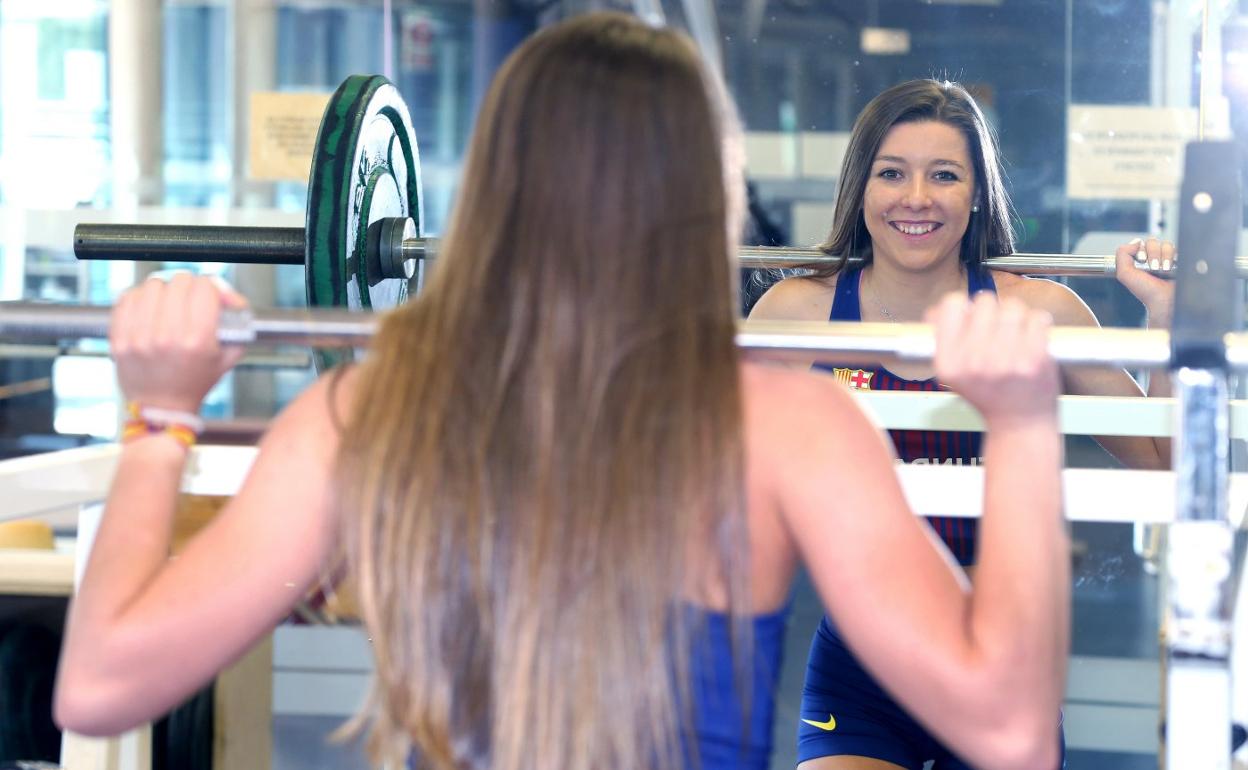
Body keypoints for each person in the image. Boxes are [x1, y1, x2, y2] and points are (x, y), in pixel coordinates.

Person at [54, 18, 1067, 770]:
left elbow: (100, 685)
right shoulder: (786, 427)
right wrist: (1020, 422)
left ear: (497, 177)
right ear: (701, 190)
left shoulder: (365, 413)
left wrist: (161, 418)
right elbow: (1010, 729)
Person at [748, 78, 1173, 769]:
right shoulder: (798, 314)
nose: (916, 198)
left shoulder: (1040, 313)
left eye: (944, 175)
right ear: (862, 187)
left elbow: (1163, 467)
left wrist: (1163, 321)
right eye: (892, 173)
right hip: (861, 660)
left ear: (976, 193)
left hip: (1001, 656)